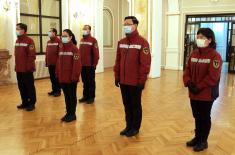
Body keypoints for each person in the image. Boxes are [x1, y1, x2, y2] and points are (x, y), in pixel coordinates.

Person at [183, 28, 222, 152]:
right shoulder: (194, 53)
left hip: (205, 93)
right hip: (193, 92)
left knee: (204, 117)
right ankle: (197, 137)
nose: (198, 39)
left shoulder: (215, 56)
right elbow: (187, 69)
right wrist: (188, 82)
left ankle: (203, 141)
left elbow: (213, 76)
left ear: (209, 40)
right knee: (197, 116)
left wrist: (199, 86)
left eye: (202, 37)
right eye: (198, 36)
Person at [114, 16, 151, 137]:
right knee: (126, 104)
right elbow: (118, 61)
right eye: (124, 24)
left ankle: (135, 127)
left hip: (135, 82)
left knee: (135, 105)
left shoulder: (142, 43)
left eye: (128, 24)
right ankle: (128, 126)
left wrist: (142, 81)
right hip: (123, 81)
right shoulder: (122, 42)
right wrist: (117, 76)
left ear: (135, 26)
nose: (125, 26)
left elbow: (145, 64)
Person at [56, 29, 82, 122]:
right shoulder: (61, 47)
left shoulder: (74, 48)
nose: (63, 37)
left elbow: (77, 64)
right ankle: (68, 113)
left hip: (71, 78)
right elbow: (59, 62)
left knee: (71, 96)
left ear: (70, 37)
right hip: (63, 77)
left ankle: (72, 114)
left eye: (65, 36)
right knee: (66, 96)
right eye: (62, 36)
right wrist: (57, 73)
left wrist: (75, 76)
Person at [15, 23, 37, 111]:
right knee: (21, 86)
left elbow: (32, 56)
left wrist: (28, 67)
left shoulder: (29, 41)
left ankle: (32, 103)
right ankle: (24, 102)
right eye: (16, 29)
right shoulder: (17, 41)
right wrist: (16, 66)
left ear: (23, 30)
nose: (16, 30)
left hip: (27, 69)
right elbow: (17, 55)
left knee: (29, 86)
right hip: (19, 69)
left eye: (18, 29)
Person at [78, 25, 99, 104]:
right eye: (83, 29)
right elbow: (80, 52)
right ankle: (85, 96)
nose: (84, 30)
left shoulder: (93, 40)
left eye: (85, 29)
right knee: (84, 81)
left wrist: (94, 64)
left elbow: (96, 54)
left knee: (90, 82)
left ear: (89, 31)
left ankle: (91, 97)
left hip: (90, 65)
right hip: (82, 65)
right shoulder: (82, 40)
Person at [45, 28, 61, 97]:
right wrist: (46, 61)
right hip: (50, 63)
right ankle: (54, 90)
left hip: (56, 64)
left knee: (56, 78)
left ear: (54, 33)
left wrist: (59, 63)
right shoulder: (48, 42)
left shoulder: (59, 41)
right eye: (49, 31)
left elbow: (60, 53)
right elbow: (47, 52)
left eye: (50, 31)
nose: (49, 32)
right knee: (52, 77)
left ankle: (58, 91)